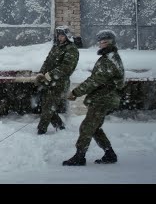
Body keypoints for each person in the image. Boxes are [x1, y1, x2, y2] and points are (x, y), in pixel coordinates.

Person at [63, 30, 125, 166]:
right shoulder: (109, 57)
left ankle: (80, 157)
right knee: (94, 127)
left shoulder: (109, 59)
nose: (102, 44)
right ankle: (110, 154)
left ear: (112, 42)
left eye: (106, 41)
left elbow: (94, 81)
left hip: (103, 99)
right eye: (101, 42)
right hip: (103, 98)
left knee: (87, 127)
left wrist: (75, 92)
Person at [35, 25, 80, 135]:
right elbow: (47, 61)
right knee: (46, 105)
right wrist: (41, 73)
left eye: (62, 35)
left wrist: (50, 75)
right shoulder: (56, 46)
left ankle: (41, 130)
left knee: (48, 107)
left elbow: (66, 67)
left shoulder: (72, 49)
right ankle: (60, 126)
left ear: (67, 36)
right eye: (58, 35)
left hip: (60, 83)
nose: (59, 37)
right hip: (48, 81)